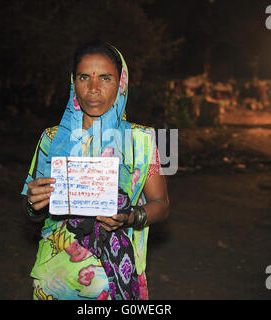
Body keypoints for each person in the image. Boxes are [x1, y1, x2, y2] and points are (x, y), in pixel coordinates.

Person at [20, 40, 170, 300]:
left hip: (113, 281)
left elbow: (162, 205)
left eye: (105, 78)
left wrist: (129, 217)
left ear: (121, 83)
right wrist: (34, 204)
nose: (93, 88)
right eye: (84, 77)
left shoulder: (145, 140)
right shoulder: (51, 138)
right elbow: (32, 212)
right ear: (73, 83)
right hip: (55, 280)